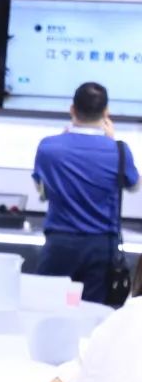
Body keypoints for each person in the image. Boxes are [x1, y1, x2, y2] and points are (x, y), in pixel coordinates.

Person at [33, 82, 140, 303]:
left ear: (72, 109)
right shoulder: (119, 150)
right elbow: (134, 185)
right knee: (96, 313)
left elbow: (42, 192)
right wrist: (111, 142)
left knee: (48, 308)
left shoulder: (48, 147)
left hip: (59, 244)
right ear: (106, 112)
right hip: (102, 247)